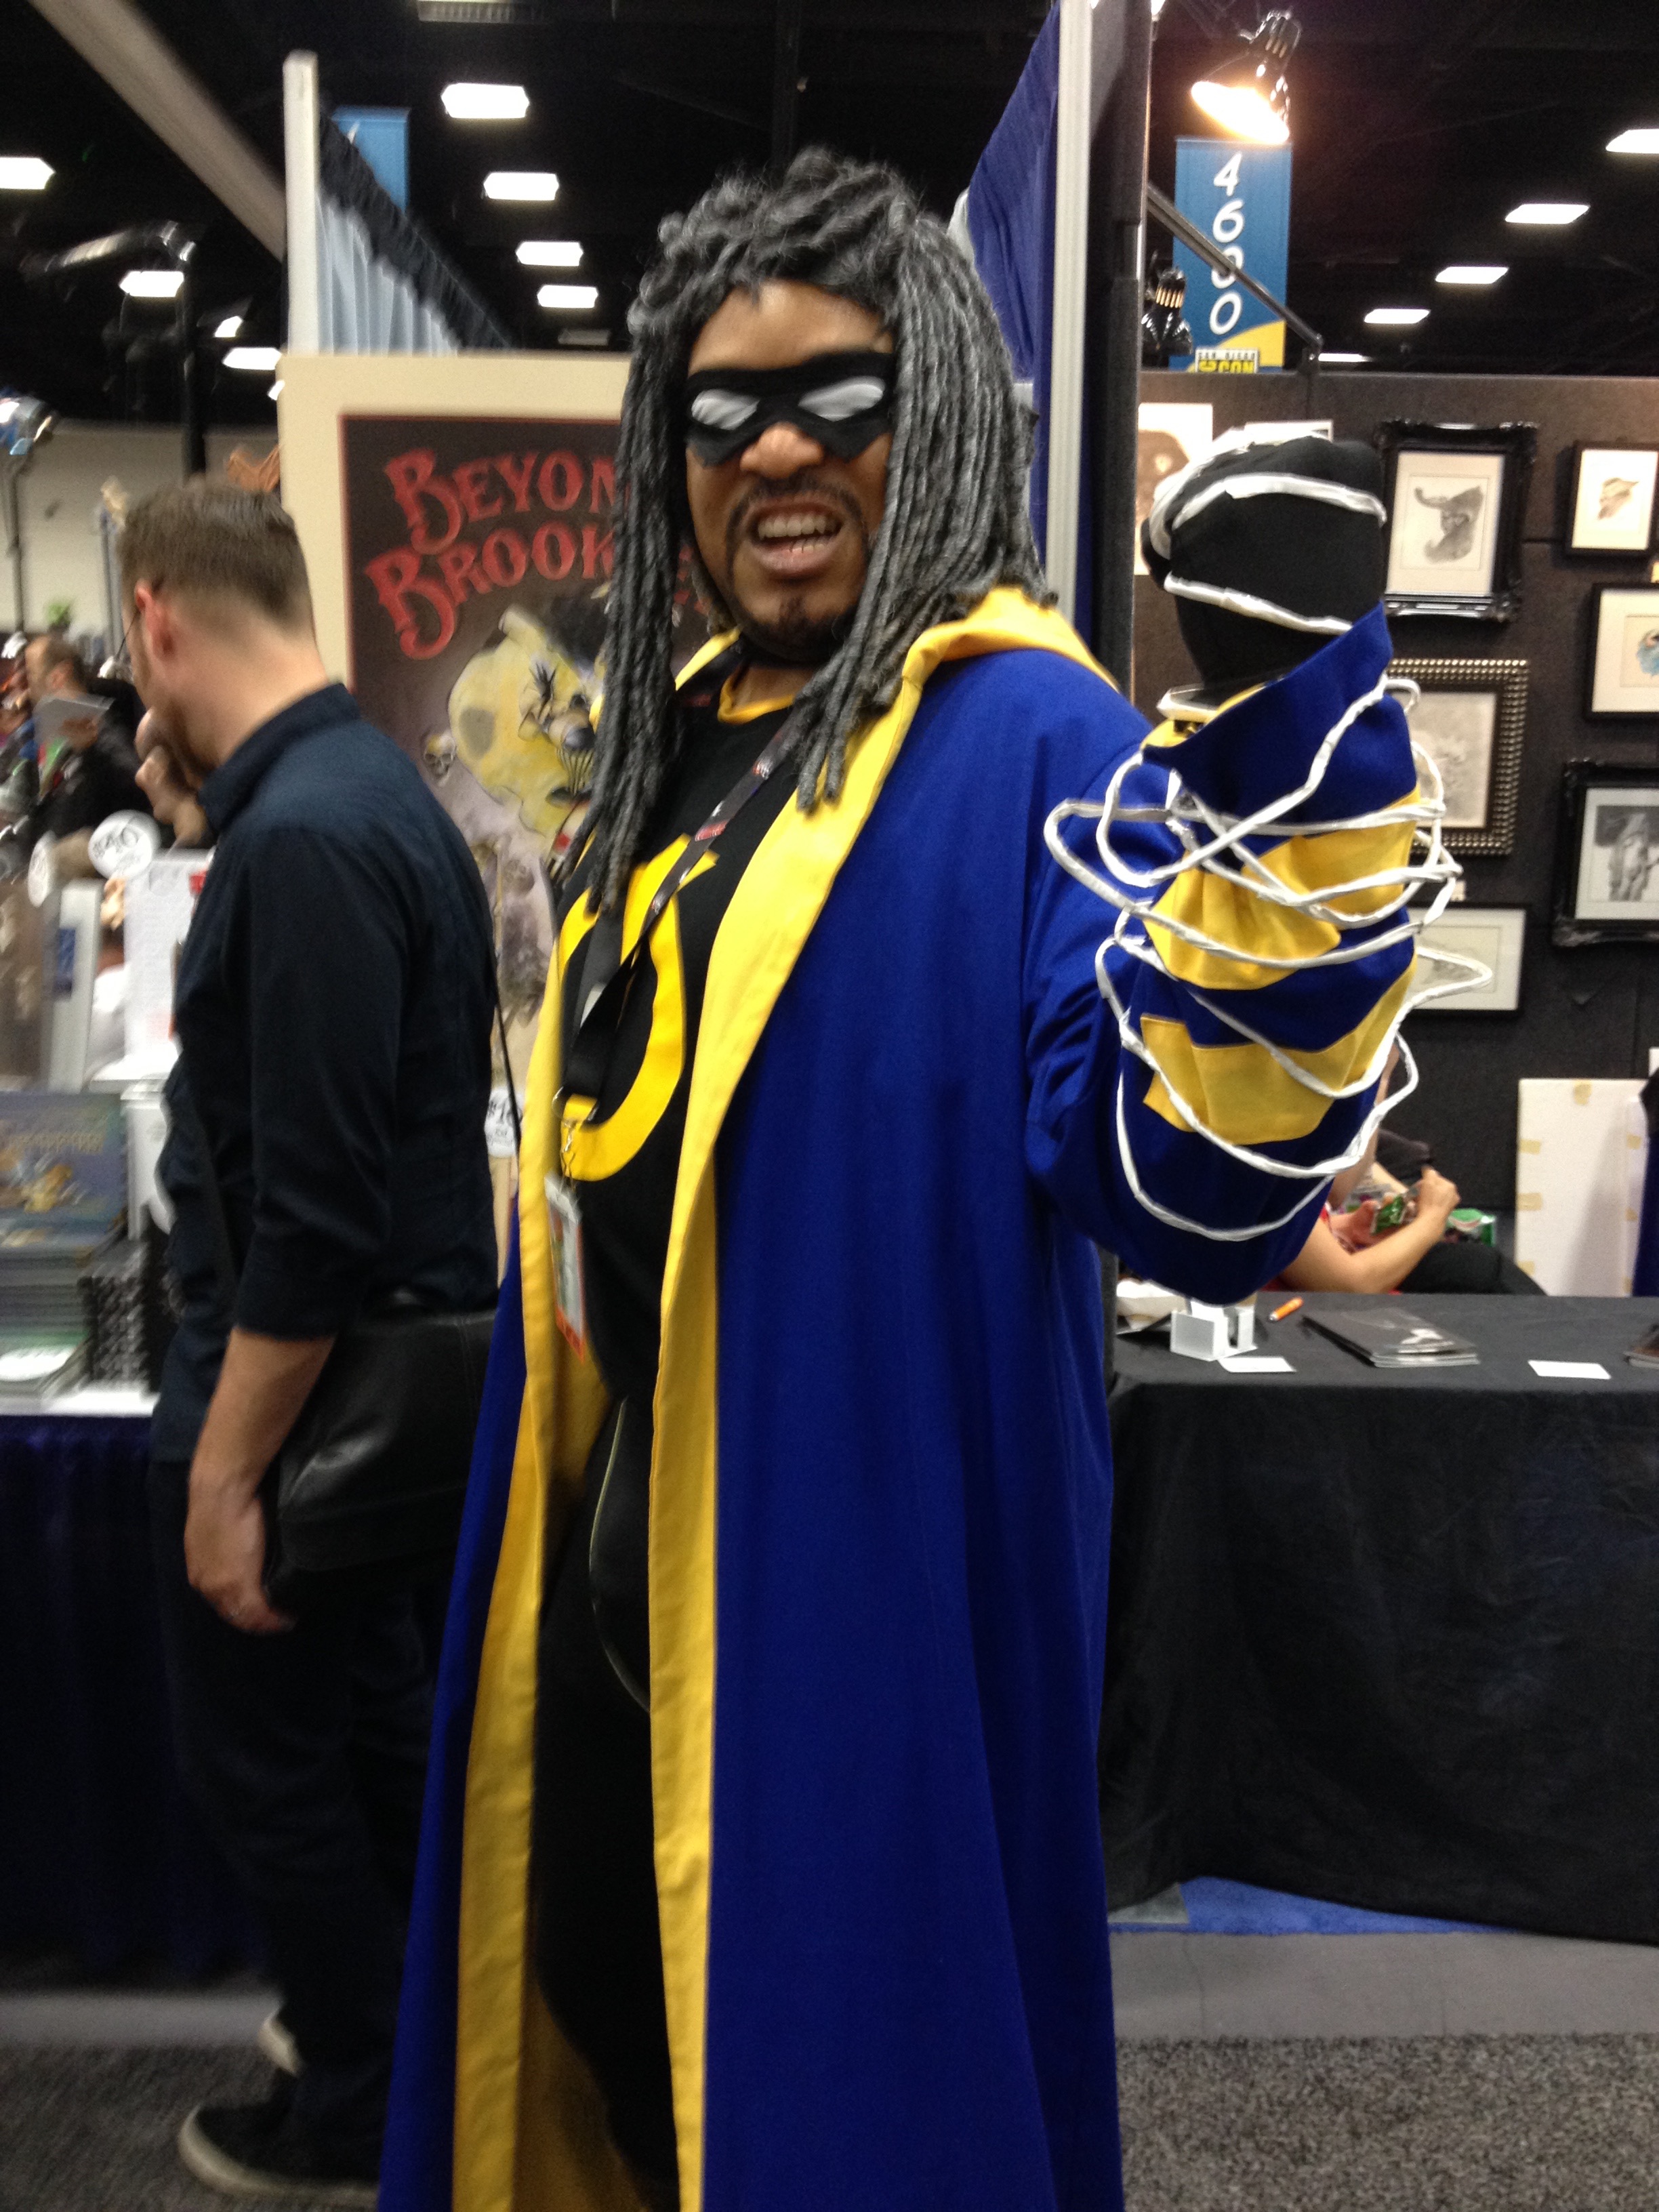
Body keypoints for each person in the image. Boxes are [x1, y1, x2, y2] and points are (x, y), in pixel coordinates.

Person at [382, 151, 1428, 2212]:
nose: (775, 450)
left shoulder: (1027, 733)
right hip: (601, 1596)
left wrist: (1294, 754)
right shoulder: (675, 739)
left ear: (933, 414)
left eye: (838, 401)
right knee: (607, 2055)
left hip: (847, 1630)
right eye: (722, 409)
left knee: (840, 2109)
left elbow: (1182, 1181)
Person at [125, 480, 499, 2204]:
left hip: (303, 1392)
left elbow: (314, 1219)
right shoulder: (362, 792)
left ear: (154, 622)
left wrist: (224, 1475)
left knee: (274, 1767)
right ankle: (403, 2052)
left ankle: (361, 2097)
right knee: (364, 1741)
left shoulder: (308, 840)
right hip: (375, 1386)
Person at [16, 634, 149, 863]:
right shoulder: (51, 742)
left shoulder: (106, 733)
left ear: (58, 677)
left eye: (30, 674)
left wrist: (91, 754)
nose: (26, 688)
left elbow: (135, 790)